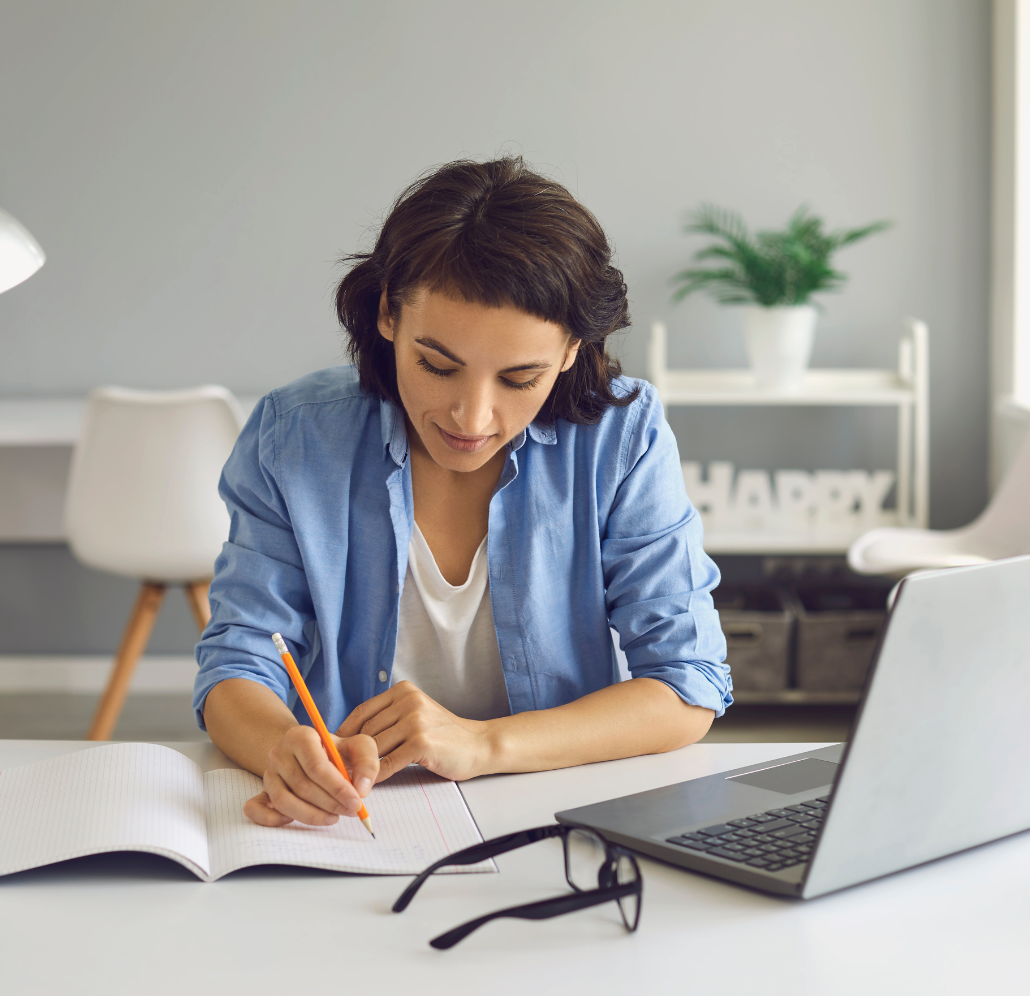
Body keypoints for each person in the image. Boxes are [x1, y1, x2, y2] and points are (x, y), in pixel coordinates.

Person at [194, 157, 731, 829]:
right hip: (355, 824)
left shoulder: (622, 435)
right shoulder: (295, 435)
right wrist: (282, 749)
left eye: (519, 378)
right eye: (437, 366)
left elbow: (688, 687)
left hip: (555, 814)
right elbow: (238, 660)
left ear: (571, 351)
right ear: (389, 313)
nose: (471, 419)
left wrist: (481, 744)